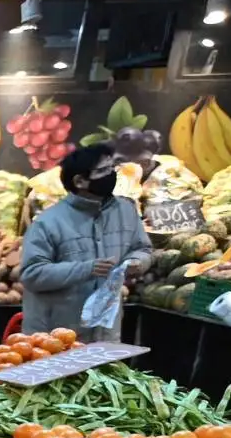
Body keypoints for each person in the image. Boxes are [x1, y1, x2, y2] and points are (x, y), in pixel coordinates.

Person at [19, 145, 149, 340]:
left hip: (106, 332)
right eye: (102, 171)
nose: (111, 175)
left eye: (111, 169)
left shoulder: (126, 211)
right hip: (56, 336)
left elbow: (143, 248)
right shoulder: (48, 223)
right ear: (80, 181)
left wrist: (137, 262)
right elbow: (32, 274)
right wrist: (87, 269)